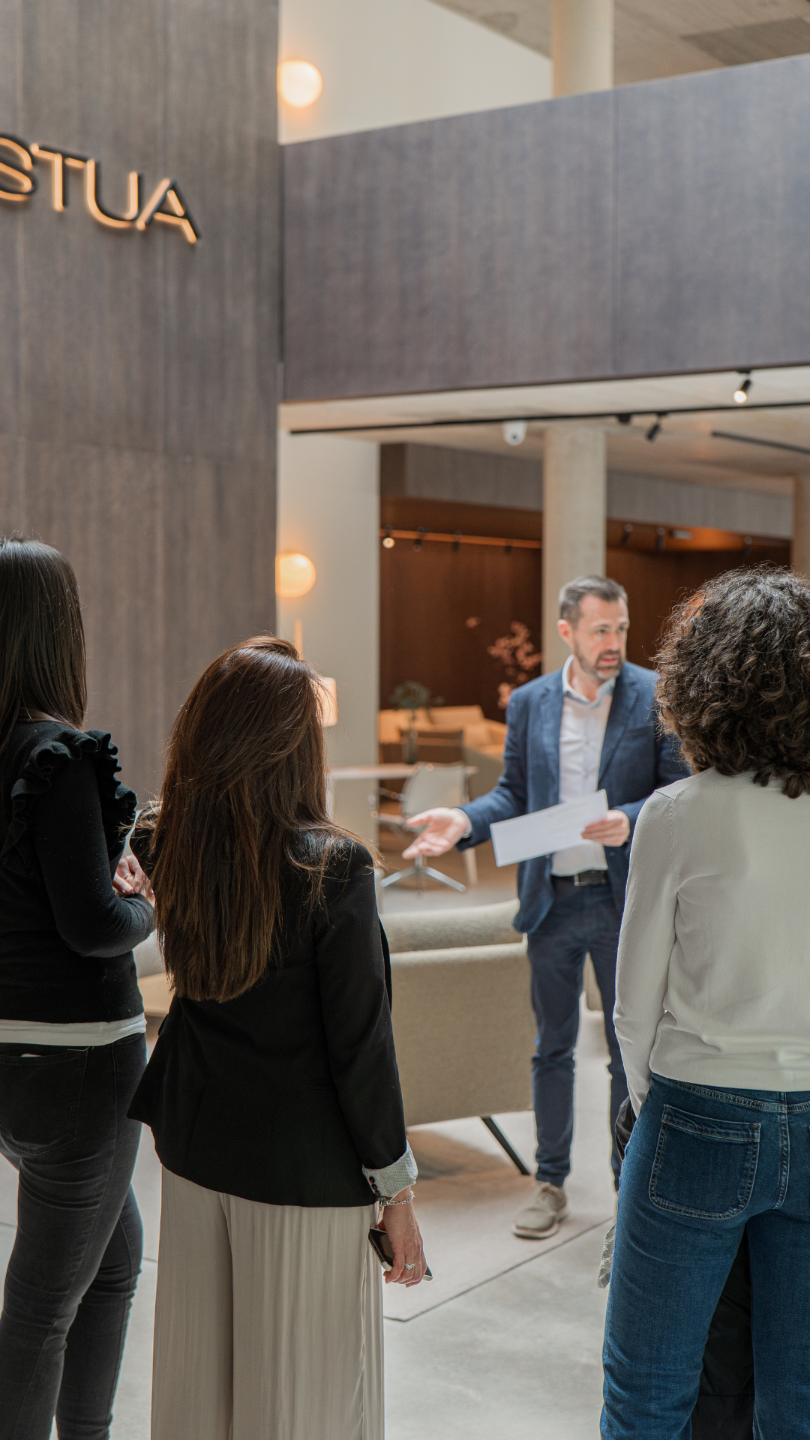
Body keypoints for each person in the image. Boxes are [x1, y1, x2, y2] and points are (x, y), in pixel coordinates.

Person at [128, 636, 428, 1440]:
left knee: (194, 1399)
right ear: (295, 747)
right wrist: (397, 1193)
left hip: (195, 1147)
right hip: (304, 1166)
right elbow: (361, 1048)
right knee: (303, 1408)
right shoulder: (335, 868)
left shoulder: (165, 842)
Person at [403, 575, 688, 1238]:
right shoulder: (530, 702)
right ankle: (550, 1183)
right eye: (600, 629)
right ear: (567, 631)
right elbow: (512, 793)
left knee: (628, 1049)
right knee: (551, 1048)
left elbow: (677, 790)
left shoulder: (652, 695)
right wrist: (463, 820)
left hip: (622, 903)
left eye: (620, 628)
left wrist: (630, 817)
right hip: (551, 903)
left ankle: (626, 1191)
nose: (614, 641)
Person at [603, 567, 810, 1440]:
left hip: (697, 1110)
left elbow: (633, 1006)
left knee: (648, 1395)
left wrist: (655, 1106)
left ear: (703, 682)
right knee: (797, 1402)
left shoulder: (678, 812)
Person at [0, 537, 154, 1440]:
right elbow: (95, 925)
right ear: (61, 631)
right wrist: (146, 903)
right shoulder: (57, 754)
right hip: (81, 1066)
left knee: (116, 1260)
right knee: (40, 1311)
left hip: (12, 1066)